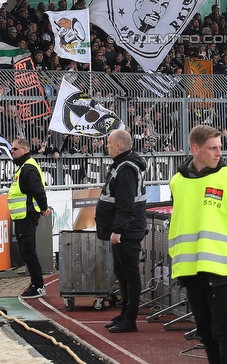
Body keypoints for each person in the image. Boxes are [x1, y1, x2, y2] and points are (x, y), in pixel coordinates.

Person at [169, 125, 227, 364]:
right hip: (192, 269)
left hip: (225, 270)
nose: (219, 153)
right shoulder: (177, 181)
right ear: (195, 149)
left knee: (225, 333)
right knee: (206, 333)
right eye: (212, 148)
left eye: (220, 147)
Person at [95, 129, 148, 334]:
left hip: (127, 231)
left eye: (109, 142)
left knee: (129, 274)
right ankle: (125, 313)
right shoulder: (123, 165)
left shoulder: (126, 168)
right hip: (123, 230)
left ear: (118, 145)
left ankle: (130, 318)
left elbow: (125, 204)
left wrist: (117, 230)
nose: (106, 146)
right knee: (122, 273)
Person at [9, 138, 52, 299]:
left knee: (28, 250)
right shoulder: (23, 167)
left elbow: (38, 190)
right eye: (12, 149)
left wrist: (43, 208)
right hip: (22, 215)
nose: (12, 152)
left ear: (24, 150)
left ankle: (38, 284)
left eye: (15, 149)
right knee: (25, 250)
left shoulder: (28, 168)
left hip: (27, 214)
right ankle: (35, 282)